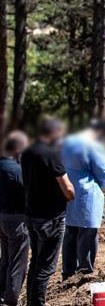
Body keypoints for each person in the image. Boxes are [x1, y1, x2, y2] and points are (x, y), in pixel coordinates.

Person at [22, 117, 75, 306]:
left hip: (32, 214)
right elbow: (67, 188)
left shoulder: (28, 151)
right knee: (46, 266)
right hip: (51, 217)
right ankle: (37, 303)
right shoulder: (52, 154)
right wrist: (71, 196)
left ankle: (31, 301)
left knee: (36, 261)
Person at [61, 119, 105, 279]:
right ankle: (85, 270)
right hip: (86, 192)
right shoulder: (93, 145)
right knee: (88, 232)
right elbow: (102, 171)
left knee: (70, 231)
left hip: (67, 189)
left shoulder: (67, 142)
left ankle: (68, 271)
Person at [0, 131, 30, 306]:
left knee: (5, 258)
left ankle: (2, 292)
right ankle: (11, 299)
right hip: (17, 219)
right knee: (18, 261)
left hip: (2, 217)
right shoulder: (17, 170)